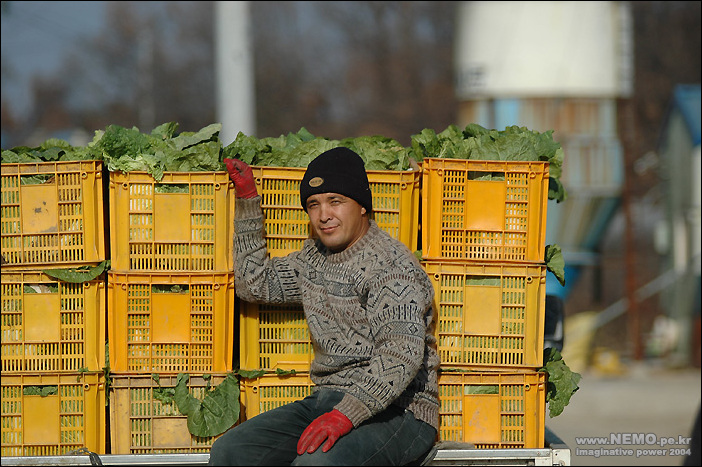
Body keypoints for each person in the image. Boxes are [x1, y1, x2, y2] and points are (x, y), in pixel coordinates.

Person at [209, 147, 440, 466]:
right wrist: (248, 198)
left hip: (401, 411)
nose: (323, 215)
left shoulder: (391, 267)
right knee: (231, 452)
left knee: (317, 464)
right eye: (313, 204)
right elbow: (255, 283)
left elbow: (401, 353)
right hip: (328, 400)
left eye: (336, 201)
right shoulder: (313, 260)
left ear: (362, 206)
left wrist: (346, 416)